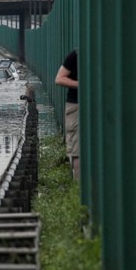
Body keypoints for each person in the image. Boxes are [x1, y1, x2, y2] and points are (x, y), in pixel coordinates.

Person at [55, 49, 79, 180]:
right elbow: (59, 79)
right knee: (77, 149)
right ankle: (78, 190)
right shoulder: (76, 55)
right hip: (76, 105)